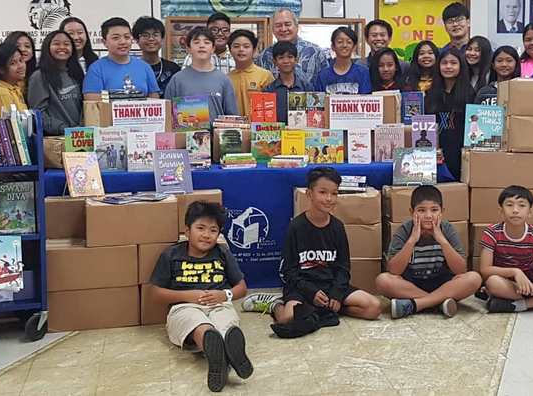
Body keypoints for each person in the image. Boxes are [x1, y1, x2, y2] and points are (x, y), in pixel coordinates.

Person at [241, 167, 382, 327]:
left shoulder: (338, 227)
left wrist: (336, 294)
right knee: (287, 319)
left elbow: (343, 267)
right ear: (309, 194)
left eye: (334, 193)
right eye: (322, 192)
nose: (329, 198)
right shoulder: (296, 227)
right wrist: (311, 292)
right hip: (302, 287)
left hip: (329, 285)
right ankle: (276, 305)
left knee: (373, 308)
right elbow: (288, 271)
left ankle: (329, 309)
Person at [149, 201, 252, 392]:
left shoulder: (222, 253)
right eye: (201, 228)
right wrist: (188, 296)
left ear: (218, 234)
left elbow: (242, 288)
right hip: (184, 307)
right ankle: (218, 354)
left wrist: (224, 294)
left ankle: (228, 351)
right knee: (199, 324)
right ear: (187, 231)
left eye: (213, 230)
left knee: (225, 323)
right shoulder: (171, 255)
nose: (206, 235)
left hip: (219, 305)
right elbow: (155, 294)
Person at [378, 185, 482, 318]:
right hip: (411, 285)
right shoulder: (405, 230)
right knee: (383, 280)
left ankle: (417, 304)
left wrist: (442, 240)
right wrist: (412, 240)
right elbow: (394, 271)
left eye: (434, 210)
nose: (428, 216)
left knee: (474, 278)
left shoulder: (447, 229)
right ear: (412, 212)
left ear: (442, 212)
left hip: (443, 285)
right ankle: (438, 303)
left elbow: (460, 270)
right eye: (421, 210)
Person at [165, 27, 239, 121]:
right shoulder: (177, 80)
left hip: (216, 135)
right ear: (188, 49)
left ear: (213, 49)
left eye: (207, 42)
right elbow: (168, 115)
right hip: (186, 134)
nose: (201, 46)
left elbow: (232, 116)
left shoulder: (224, 80)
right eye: (196, 42)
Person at [82, 17, 161, 100]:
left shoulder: (145, 67)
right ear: (104, 42)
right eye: (116, 38)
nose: (123, 42)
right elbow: (91, 101)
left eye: (127, 37)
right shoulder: (96, 69)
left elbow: (154, 98)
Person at [28, 30, 84, 135]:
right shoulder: (39, 76)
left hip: (80, 136)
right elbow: (38, 113)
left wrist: (80, 128)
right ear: (47, 47)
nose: (62, 47)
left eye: (67, 44)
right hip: (55, 139)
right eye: (56, 44)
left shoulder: (77, 74)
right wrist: (64, 129)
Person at [428, 48, 472, 179]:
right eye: (444, 63)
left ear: (461, 66)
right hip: (434, 154)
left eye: (453, 63)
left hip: (459, 154)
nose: (448, 66)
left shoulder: (469, 94)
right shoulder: (430, 94)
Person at [257, 8, 329, 82]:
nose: (283, 29)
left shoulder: (316, 53)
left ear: (297, 26)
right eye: (278, 25)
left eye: (287, 24)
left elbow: (326, 83)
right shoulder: (264, 56)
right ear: (272, 29)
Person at [262, 41, 312, 124]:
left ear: (296, 60)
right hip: (277, 135)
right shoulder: (268, 91)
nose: (286, 61)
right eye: (281, 58)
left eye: (290, 57)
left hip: (302, 135)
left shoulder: (307, 88)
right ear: (274, 62)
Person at [226, 29, 274, 115]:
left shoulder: (265, 75)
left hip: (258, 126)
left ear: (254, 50)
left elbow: (271, 108)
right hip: (233, 127)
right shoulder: (226, 78)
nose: (241, 49)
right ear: (230, 50)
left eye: (246, 46)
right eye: (236, 46)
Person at [313, 27, 371, 94]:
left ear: (354, 47)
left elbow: (366, 100)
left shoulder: (363, 73)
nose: (344, 45)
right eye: (340, 42)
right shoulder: (323, 75)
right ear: (333, 46)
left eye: (349, 42)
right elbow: (319, 102)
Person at [134, 16, 181, 94]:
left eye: (155, 35)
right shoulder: (133, 68)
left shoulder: (174, 69)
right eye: (145, 35)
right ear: (136, 40)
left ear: (162, 39)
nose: (151, 39)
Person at [0, 42, 29, 114]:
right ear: (1, 69)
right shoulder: (3, 93)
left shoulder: (15, 88)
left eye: (21, 60)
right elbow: (10, 123)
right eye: (13, 63)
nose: (20, 66)